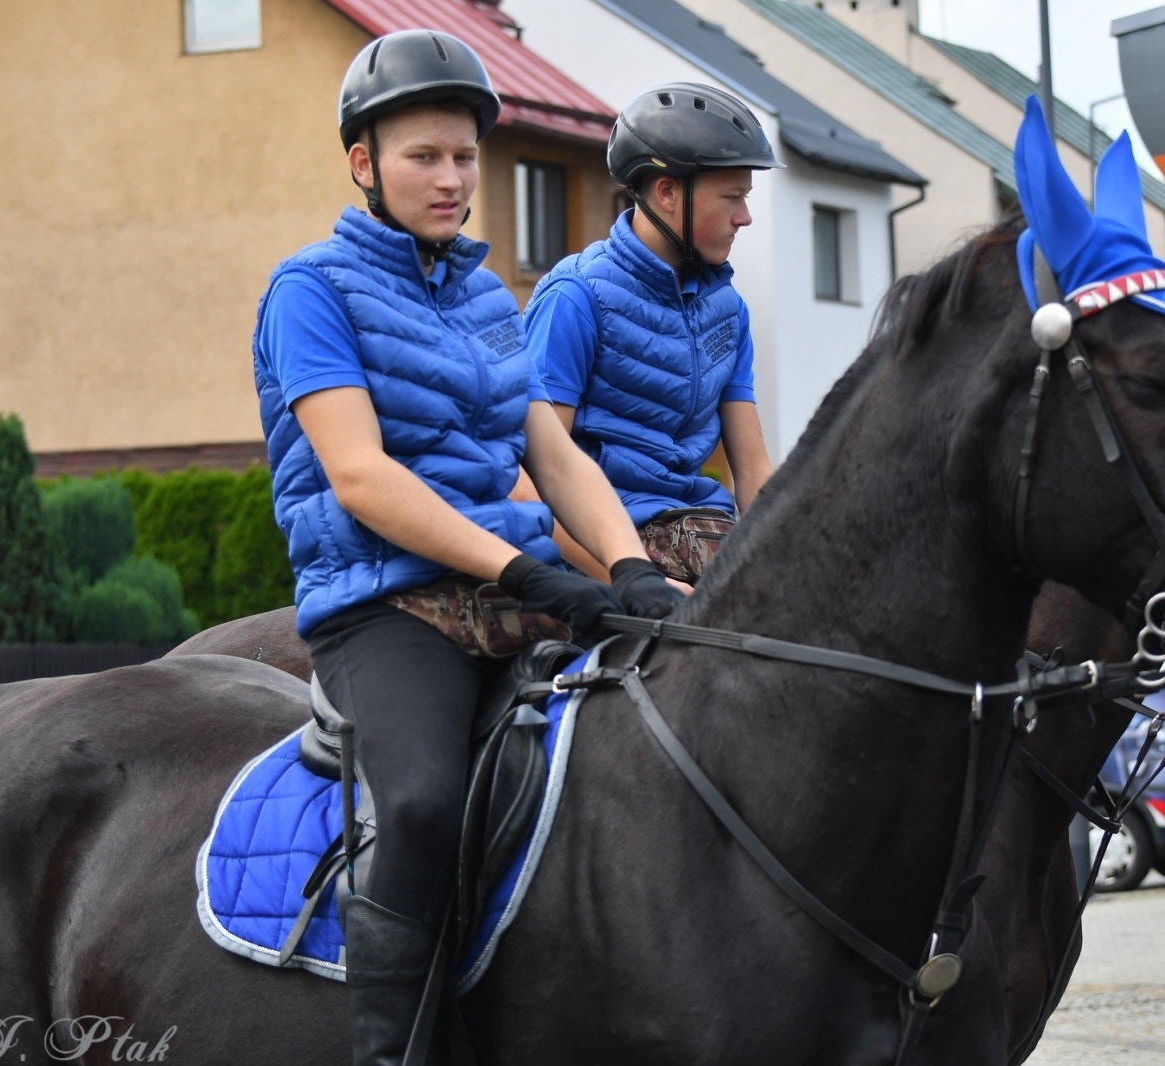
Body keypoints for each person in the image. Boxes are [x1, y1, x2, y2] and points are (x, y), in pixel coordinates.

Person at [251, 30, 682, 1066]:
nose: (451, 179)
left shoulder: (492, 299)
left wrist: (626, 568)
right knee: (424, 797)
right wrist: (531, 572)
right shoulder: (307, 289)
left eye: (463, 157)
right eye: (424, 157)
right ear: (364, 163)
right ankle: (395, 1049)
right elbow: (358, 473)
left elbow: (556, 453)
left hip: (513, 586)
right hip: (383, 603)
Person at [518, 82, 778, 584]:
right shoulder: (575, 299)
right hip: (606, 535)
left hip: (702, 526)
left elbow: (752, 470)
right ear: (667, 191)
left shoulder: (729, 311)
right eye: (732, 197)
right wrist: (631, 583)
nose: (744, 217)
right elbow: (537, 478)